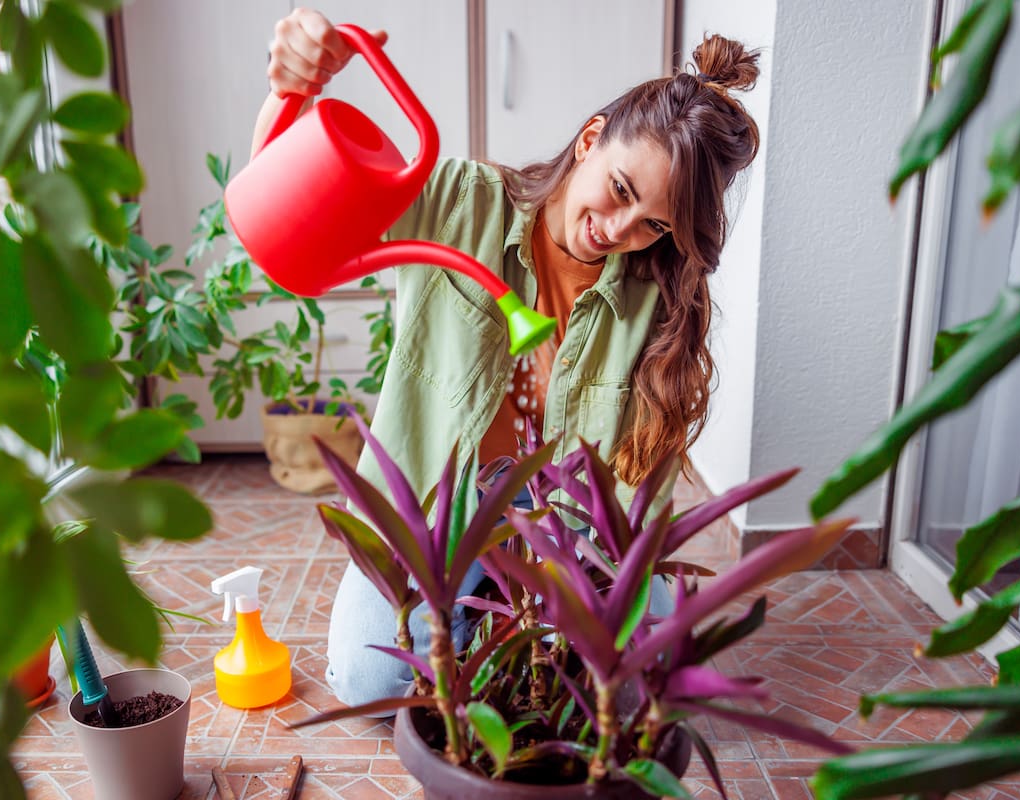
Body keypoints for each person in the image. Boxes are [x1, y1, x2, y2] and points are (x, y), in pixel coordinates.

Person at [254, 8, 761, 708]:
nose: (618, 231)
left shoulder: (656, 302)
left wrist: (604, 595)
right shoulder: (462, 204)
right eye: (620, 191)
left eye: (653, 224)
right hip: (437, 515)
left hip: (564, 529)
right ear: (591, 140)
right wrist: (293, 89)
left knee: (653, 673)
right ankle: (479, 611)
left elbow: (639, 499)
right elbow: (287, 209)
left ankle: (490, 624)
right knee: (369, 680)